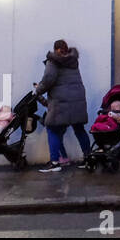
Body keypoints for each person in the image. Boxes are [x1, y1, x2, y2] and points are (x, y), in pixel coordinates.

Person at [35, 39, 91, 172]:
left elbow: (48, 79)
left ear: (55, 50)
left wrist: (38, 90)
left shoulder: (53, 61)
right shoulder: (73, 61)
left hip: (61, 101)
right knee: (79, 128)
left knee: (52, 128)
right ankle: (88, 158)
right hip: (77, 99)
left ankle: (55, 162)